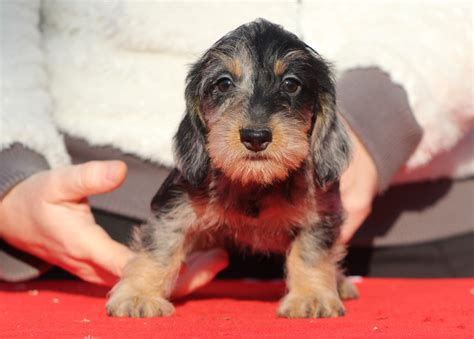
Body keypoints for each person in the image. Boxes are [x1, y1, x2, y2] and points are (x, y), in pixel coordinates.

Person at [1, 1, 472, 291]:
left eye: (290, 87)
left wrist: (375, 120)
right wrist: (9, 164)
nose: (255, 124)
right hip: (86, 218)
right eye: (225, 85)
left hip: (410, 233)